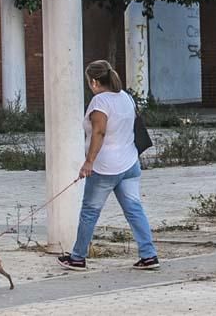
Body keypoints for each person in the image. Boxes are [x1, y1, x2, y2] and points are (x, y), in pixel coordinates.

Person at [57, 60, 159, 271]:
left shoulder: (100, 102)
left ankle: (77, 257)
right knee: (134, 209)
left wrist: (89, 162)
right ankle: (149, 255)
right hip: (130, 163)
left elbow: (99, 132)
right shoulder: (126, 98)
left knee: (89, 211)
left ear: (94, 81)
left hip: (105, 167)